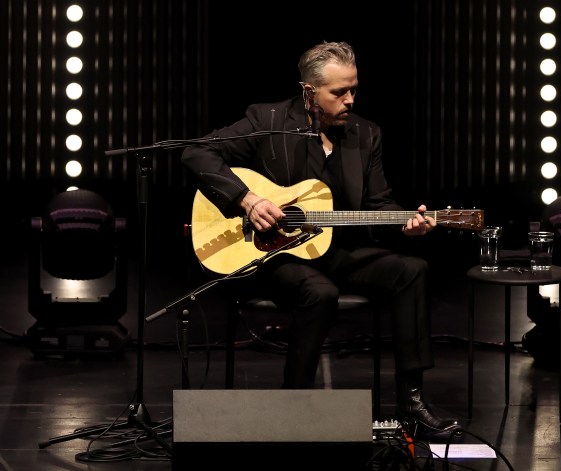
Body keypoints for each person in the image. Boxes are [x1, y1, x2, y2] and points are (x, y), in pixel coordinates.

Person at [181, 40, 461, 440]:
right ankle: (292, 405)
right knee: (320, 292)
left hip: (335, 251)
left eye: (354, 89)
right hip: (274, 255)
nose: (350, 99)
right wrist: (246, 199)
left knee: (412, 270)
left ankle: (411, 401)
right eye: (339, 92)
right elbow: (197, 154)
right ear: (310, 92)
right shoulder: (268, 119)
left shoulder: (366, 134)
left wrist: (406, 224)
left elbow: (379, 204)